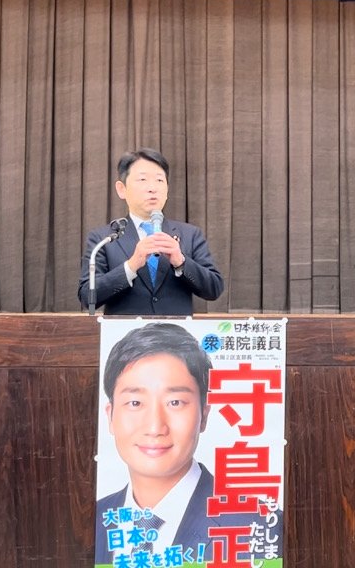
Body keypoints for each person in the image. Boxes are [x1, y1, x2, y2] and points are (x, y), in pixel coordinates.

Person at [95, 323, 268, 565]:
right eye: (135, 403)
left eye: (175, 402)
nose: (155, 427)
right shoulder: (92, 517)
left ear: (204, 416)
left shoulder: (258, 525)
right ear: (110, 416)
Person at [78, 148, 224, 315]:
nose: (152, 188)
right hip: (126, 331)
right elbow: (87, 296)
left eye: (159, 180)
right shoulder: (103, 238)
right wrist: (131, 266)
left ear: (167, 189)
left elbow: (214, 289)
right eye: (142, 179)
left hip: (176, 331)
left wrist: (181, 261)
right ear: (121, 189)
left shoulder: (190, 235)